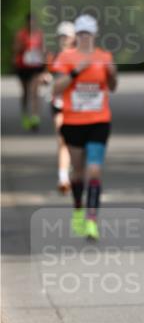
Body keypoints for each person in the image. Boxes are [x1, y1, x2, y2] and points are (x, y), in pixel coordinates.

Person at [51, 14, 117, 240]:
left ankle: (91, 220)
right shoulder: (66, 56)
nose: (85, 38)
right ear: (76, 35)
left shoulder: (104, 56)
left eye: (88, 33)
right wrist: (76, 70)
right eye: (81, 34)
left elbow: (113, 86)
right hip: (73, 122)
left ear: (94, 34)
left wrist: (113, 73)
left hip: (99, 121)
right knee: (78, 172)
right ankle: (78, 208)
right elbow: (56, 89)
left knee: (95, 170)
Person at [45, 21, 77, 193]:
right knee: (62, 139)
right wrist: (46, 79)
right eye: (61, 36)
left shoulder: (79, 57)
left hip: (77, 105)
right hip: (58, 103)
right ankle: (63, 178)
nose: (64, 39)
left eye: (67, 36)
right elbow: (47, 74)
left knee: (76, 142)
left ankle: (74, 165)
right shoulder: (53, 56)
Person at [13, 14, 45, 130]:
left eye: (33, 22)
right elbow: (15, 49)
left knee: (34, 91)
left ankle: (35, 117)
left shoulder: (39, 34)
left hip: (35, 67)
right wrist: (24, 46)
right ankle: (25, 114)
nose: (32, 24)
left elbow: (43, 50)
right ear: (27, 23)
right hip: (23, 67)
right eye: (30, 22)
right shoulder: (21, 34)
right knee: (26, 92)